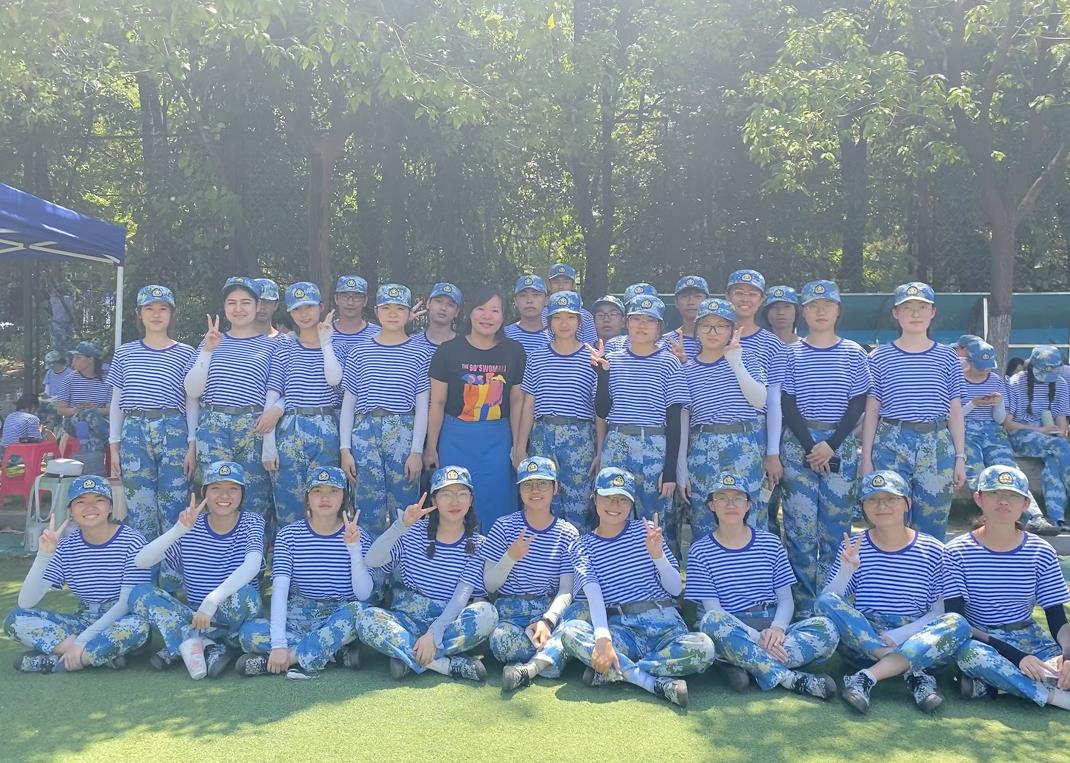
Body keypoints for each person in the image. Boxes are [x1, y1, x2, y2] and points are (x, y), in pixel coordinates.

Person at [558, 467, 715, 708]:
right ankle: (652, 683)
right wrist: (603, 639)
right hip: (622, 630)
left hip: (665, 624)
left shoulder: (646, 532)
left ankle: (616, 671)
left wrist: (658, 556)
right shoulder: (581, 546)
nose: (615, 504)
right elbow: (593, 594)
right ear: (595, 499)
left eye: (622, 499)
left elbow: (675, 589)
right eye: (608, 497)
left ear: (631, 503)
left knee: (704, 648)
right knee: (571, 632)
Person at [816, 471, 971, 715]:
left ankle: (866, 678)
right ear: (863, 506)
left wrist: (899, 635)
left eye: (890, 498)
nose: (882, 506)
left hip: (917, 639)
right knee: (825, 601)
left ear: (907, 503)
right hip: (866, 641)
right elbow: (828, 602)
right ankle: (911, 672)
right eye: (873, 499)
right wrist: (847, 569)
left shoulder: (934, 549)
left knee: (957, 622)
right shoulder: (855, 545)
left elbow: (939, 611)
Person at [687, 473, 838, 699]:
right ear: (711, 505)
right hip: (734, 629)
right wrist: (757, 638)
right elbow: (714, 610)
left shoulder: (771, 543)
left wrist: (777, 629)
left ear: (748, 505)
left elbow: (786, 599)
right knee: (711, 622)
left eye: (738, 498)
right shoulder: (700, 551)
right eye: (722, 498)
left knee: (827, 628)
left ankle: (747, 665)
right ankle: (791, 679)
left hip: (770, 628)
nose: (730, 504)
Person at [779, 280, 870, 616]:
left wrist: (830, 445)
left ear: (837, 311)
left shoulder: (854, 352)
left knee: (836, 530)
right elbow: (787, 402)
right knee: (800, 531)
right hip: (799, 444)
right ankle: (804, 608)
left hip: (839, 443)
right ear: (803, 312)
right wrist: (810, 446)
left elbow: (858, 402)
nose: (820, 312)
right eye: (813, 306)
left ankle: (834, 604)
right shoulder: (791, 352)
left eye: (827, 305)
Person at [357, 466, 498, 682]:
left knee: (487, 613)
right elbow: (371, 560)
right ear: (434, 500)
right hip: (408, 617)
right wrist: (399, 526)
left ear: (471, 500)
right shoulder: (412, 531)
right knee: (366, 619)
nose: (455, 501)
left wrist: (434, 634)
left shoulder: (479, 544)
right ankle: (446, 665)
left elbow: (461, 597)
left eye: (462, 494)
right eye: (446, 494)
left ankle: (406, 656)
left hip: (448, 620)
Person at [947, 465, 1070, 710]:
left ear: (1025, 504)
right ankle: (1056, 697)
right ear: (978, 498)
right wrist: (1018, 658)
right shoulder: (955, 552)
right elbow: (957, 621)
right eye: (994, 493)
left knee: (1064, 668)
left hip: (1031, 639)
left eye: (1013, 495)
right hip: (982, 640)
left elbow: (1057, 617)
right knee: (971, 656)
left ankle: (996, 686)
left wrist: (1067, 656)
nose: (1003, 501)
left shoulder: (1041, 551)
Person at [130, 461, 264, 679]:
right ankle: (208, 646)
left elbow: (252, 566)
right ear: (204, 493)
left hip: (232, 613)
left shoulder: (252, 522)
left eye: (233, 489)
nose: (224, 495)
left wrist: (212, 602)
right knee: (140, 593)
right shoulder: (191, 527)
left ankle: (187, 643)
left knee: (246, 595)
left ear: (242, 495)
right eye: (216, 488)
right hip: (195, 616)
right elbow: (141, 561)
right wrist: (178, 530)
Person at [236, 466, 374, 679]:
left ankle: (290, 659)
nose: (325, 498)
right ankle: (333, 653)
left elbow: (363, 594)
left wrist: (354, 549)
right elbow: (280, 590)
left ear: (343, 497)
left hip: (338, 614)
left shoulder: (358, 535)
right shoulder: (288, 535)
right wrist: (278, 643)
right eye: (317, 491)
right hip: (298, 615)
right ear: (307, 497)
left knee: (360, 613)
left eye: (333, 491)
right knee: (248, 632)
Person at [5, 476, 151, 673]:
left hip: (121, 619)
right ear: (71, 511)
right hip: (82, 621)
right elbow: (26, 602)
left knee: (138, 626)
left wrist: (81, 641)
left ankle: (57, 663)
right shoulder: (66, 546)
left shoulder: (132, 541)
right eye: (81, 502)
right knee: (15, 619)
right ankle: (96, 656)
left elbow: (126, 604)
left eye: (99, 500)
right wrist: (44, 556)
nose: (90, 507)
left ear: (110, 507)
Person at [860, 281, 967, 539]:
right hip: (892, 442)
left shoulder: (948, 357)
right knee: (889, 519)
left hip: (936, 443)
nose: (915, 314)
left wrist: (960, 457)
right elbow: (872, 410)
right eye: (907, 308)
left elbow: (955, 410)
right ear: (896, 313)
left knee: (933, 520)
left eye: (922, 307)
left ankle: (930, 566)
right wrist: (866, 459)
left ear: (933, 312)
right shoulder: (879, 357)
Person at [425, 288, 527, 528]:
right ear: (469, 313)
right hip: (455, 437)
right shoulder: (448, 351)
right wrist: (431, 447)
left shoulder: (514, 351)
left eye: (495, 310)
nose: (487, 316)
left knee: (498, 499)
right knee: (454, 498)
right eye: (481, 309)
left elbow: (517, 401)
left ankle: (496, 550)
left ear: (503, 316)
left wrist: (518, 446)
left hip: (498, 439)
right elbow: (437, 402)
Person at [106, 285, 198, 541]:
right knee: (140, 507)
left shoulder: (186, 353)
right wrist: (114, 445)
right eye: (149, 308)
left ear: (172, 314)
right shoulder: (124, 353)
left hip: (174, 430)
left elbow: (191, 402)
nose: (156, 314)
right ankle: (143, 566)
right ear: (139, 313)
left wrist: (192, 444)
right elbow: (116, 402)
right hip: (134, 432)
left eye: (163, 308)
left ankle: (174, 567)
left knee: (174, 506)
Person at [483, 457, 582, 692]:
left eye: (543, 484)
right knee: (501, 641)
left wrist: (547, 621)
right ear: (519, 490)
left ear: (555, 488)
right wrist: (511, 557)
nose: (535, 490)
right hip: (511, 612)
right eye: (527, 485)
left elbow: (566, 589)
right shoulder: (503, 526)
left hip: (548, 611)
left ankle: (528, 669)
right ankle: (552, 659)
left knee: (578, 620)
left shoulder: (567, 533)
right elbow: (489, 584)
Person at [340, 284, 433, 535]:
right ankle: (368, 559)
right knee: (366, 506)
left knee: (405, 507)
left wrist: (416, 451)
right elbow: (348, 405)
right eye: (386, 308)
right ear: (376, 311)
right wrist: (345, 449)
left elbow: (422, 407)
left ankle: (406, 560)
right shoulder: (359, 352)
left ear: (409, 313)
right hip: (365, 432)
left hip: (402, 431)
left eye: (400, 308)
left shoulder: (420, 353)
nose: (393, 314)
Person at [595, 295, 687, 547]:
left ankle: (660, 569)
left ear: (660, 328)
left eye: (650, 320)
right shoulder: (613, 358)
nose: (642, 325)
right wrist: (602, 375)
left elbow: (674, 420)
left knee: (654, 517)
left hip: (653, 445)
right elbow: (602, 409)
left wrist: (670, 471)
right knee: (614, 512)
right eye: (636, 319)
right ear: (627, 323)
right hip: (617, 442)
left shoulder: (669, 363)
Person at [184, 277, 276, 521]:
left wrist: (275, 414)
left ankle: (254, 545)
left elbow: (286, 390)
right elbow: (192, 391)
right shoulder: (210, 342)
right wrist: (208, 350)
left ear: (258, 306)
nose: (238, 309)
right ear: (224, 307)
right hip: (213, 426)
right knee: (217, 498)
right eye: (232, 302)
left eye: (245, 302)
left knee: (255, 499)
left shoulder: (274, 346)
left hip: (254, 428)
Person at [677, 298, 766, 538]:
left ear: (731, 330)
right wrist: (681, 468)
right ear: (697, 330)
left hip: (742, 445)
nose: (713, 332)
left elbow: (759, 400)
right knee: (704, 518)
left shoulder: (746, 358)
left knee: (747, 518)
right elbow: (683, 421)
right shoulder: (686, 369)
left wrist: (736, 363)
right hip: (702, 448)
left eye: (721, 326)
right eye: (706, 325)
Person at [515, 291, 599, 529]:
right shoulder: (537, 356)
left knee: (579, 505)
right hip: (543, 435)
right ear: (549, 321)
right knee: (542, 503)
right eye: (557, 317)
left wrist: (600, 450)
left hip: (580, 438)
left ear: (579, 321)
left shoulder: (592, 357)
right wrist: (520, 447)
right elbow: (529, 403)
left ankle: (577, 552)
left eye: (570, 317)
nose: (564, 323)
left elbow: (598, 409)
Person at [261, 282, 342, 527]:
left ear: (321, 307)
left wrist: (326, 343)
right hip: (290, 428)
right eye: (297, 309)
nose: (304, 314)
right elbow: (274, 393)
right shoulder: (284, 346)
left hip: (327, 427)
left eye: (309, 307)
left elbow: (334, 380)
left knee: (326, 500)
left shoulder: (337, 345)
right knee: (289, 502)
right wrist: (268, 444)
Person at [961, 340, 1056, 535]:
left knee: (1009, 470)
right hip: (965, 430)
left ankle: (1034, 517)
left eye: (988, 367)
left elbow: (1000, 419)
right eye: (981, 366)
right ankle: (991, 518)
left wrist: (998, 403)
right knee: (976, 472)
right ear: (968, 361)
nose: (985, 371)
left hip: (993, 431)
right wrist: (974, 403)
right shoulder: (957, 380)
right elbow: (952, 415)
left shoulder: (996, 380)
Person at [725, 270, 784, 532]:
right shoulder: (711, 336)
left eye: (752, 294)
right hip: (710, 433)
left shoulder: (772, 344)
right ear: (727, 297)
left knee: (753, 509)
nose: (745, 299)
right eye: (739, 292)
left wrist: (772, 452)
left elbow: (774, 402)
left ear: (761, 301)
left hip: (755, 435)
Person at [1004, 345, 1070, 532]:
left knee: (1053, 464)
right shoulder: (1016, 382)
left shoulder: (1060, 383)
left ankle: (1057, 519)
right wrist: (1040, 430)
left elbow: (1061, 419)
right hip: (1021, 435)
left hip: (1050, 439)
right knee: (1060, 447)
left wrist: (1059, 432)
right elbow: (1008, 423)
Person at [56, 340, 111, 475]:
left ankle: (91, 472)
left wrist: (94, 409)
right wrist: (78, 410)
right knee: (86, 414)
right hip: (73, 422)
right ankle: (109, 436)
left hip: (98, 421)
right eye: (73, 357)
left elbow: (110, 409)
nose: (73, 361)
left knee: (93, 436)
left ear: (90, 359)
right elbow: (61, 409)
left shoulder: (107, 380)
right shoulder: (69, 380)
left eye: (78, 357)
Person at [330, 275, 381, 362]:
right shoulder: (324, 333)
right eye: (345, 296)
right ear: (336, 299)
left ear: (365, 301)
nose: (350, 302)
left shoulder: (379, 334)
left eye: (357, 297)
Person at [660, 276, 709, 362]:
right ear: (676, 302)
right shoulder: (666, 342)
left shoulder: (720, 339)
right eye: (684, 297)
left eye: (697, 297)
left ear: (707, 301)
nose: (691, 302)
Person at [546, 263, 596, 344]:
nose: (561, 286)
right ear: (549, 285)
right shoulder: (542, 314)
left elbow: (590, 346)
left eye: (566, 282)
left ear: (573, 285)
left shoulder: (585, 315)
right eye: (556, 282)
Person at [504, 274, 551, 358]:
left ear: (546, 300)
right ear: (515, 301)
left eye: (536, 294)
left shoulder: (556, 336)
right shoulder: (504, 334)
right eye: (523, 295)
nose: (529, 300)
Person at [410, 282, 462, 353]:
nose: (443, 308)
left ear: (457, 312)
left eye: (450, 305)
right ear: (428, 303)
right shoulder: (410, 342)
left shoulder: (463, 346)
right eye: (438, 301)